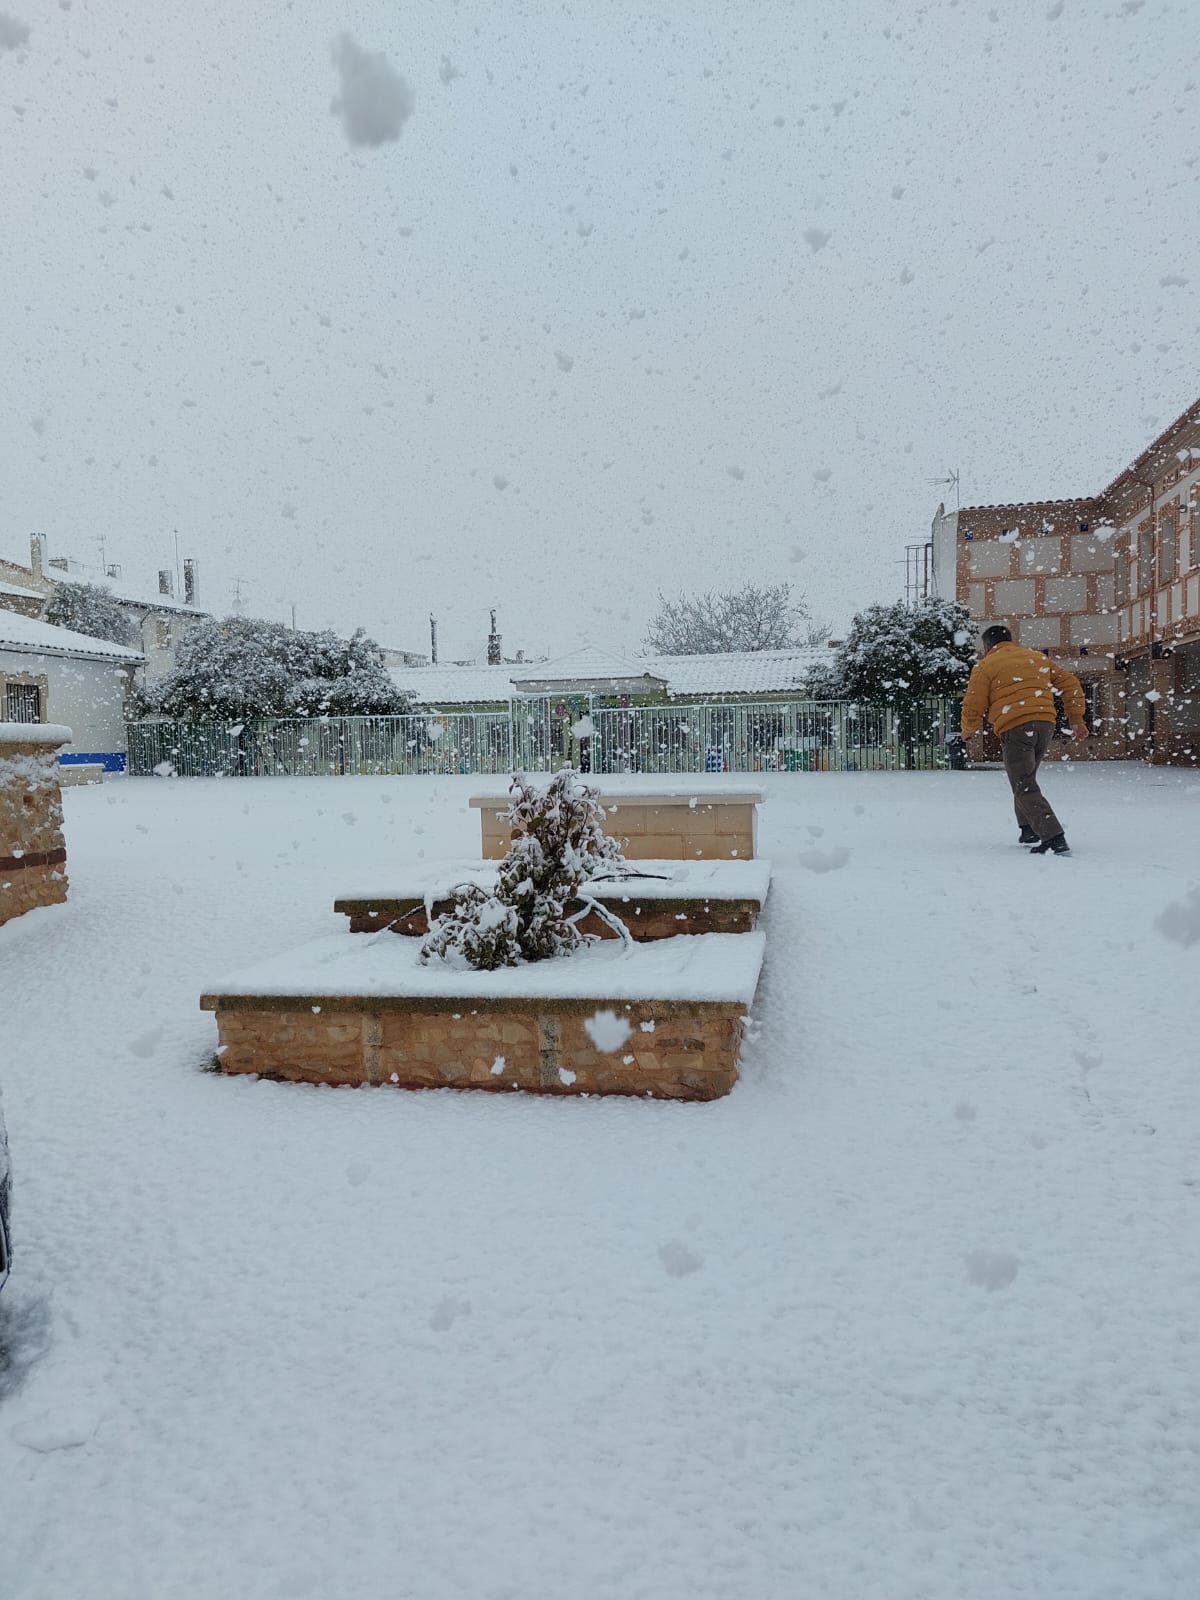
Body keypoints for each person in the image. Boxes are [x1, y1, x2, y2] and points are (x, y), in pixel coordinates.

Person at [960, 623, 1088, 855]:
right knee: (1024, 779)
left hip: (1016, 726)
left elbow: (974, 702)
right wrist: (1076, 718)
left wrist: (968, 728)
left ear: (987, 646)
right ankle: (1028, 828)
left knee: (1023, 783)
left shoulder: (985, 666)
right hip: (1045, 723)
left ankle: (1054, 837)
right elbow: (1070, 683)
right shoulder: (1035, 658)